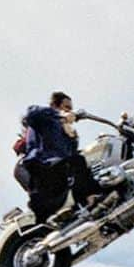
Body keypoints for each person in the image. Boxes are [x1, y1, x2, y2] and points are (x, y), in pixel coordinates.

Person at [20, 92, 107, 222]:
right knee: (77, 162)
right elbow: (30, 113)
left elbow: (70, 152)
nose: (70, 111)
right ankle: (90, 198)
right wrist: (60, 115)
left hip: (58, 170)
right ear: (55, 105)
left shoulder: (64, 130)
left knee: (80, 163)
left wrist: (72, 138)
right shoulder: (44, 119)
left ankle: (84, 209)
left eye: (70, 108)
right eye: (66, 107)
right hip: (42, 166)